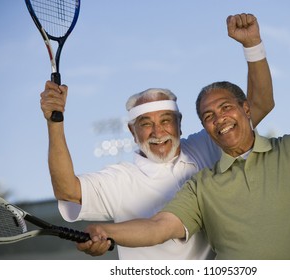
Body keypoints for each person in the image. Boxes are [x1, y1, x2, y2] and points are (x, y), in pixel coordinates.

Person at [77, 59, 290, 259]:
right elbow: (158, 227)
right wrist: (107, 232)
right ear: (205, 127)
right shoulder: (202, 186)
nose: (219, 119)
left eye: (225, 107)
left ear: (246, 109)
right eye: (208, 116)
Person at [40, 13, 274, 259]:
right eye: (145, 123)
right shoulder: (119, 180)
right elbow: (67, 191)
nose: (158, 132)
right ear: (132, 132)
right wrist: (54, 122)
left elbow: (260, 105)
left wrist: (252, 45)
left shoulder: (207, 146)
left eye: (165, 121)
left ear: (179, 125)